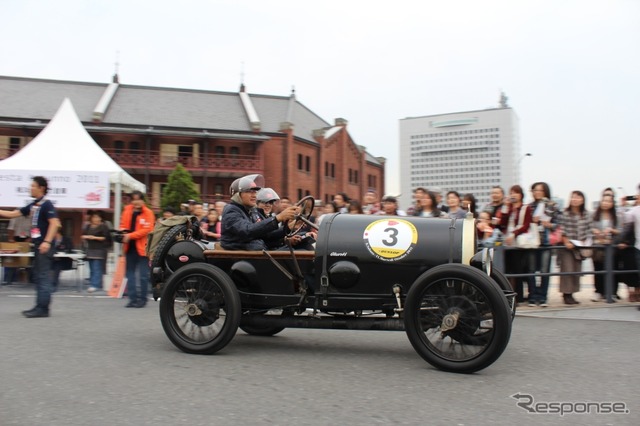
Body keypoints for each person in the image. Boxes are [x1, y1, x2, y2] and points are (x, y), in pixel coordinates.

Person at [0, 176, 60, 318]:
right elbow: (13, 214)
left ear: (41, 188)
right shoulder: (34, 205)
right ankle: (39, 306)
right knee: (39, 276)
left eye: (33, 186)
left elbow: (55, 223)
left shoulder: (47, 204)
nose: (30, 188)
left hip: (44, 246)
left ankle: (43, 309)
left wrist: (47, 242)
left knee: (43, 276)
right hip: (38, 245)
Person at [220, 174, 299, 251]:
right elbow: (247, 231)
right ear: (237, 194)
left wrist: (288, 227)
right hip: (241, 256)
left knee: (300, 248)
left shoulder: (251, 211)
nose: (254, 195)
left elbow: (266, 235)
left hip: (257, 253)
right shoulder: (231, 210)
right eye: (249, 191)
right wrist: (278, 218)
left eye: (255, 192)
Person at [119, 190, 155, 308]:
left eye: (138, 199)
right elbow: (123, 225)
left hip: (143, 248)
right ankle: (132, 299)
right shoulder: (127, 210)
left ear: (143, 200)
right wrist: (122, 232)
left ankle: (143, 299)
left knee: (143, 275)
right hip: (129, 247)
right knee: (130, 274)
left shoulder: (148, 213)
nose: (136, 202)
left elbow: (148, 229)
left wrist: (130, 235)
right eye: (134, 199)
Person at [528, 182, 561, 307]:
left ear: (545, 191)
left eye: (540, 190)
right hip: (532, 241)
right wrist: (533, 221)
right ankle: (532, 296)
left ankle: (543, 297)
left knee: (544, 270)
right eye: (535, 190)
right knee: (531, 270)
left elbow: (557, 223)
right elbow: (525, 223)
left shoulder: (552, 205)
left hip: (546, 242)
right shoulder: (530, 206)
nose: (537, 192)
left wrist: (549, 225)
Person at [558, 190, 593, 305]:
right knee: (567, 270)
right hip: (567, 246)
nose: (575, 199)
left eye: (578, 198)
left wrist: (582, 242)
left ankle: (572, 293)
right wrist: (567, 241)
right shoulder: (565, 213)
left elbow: (589, 230)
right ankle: (566, 294)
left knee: (576, 271)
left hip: (580, 246)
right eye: (573, 197)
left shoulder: (586, 214)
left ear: (582, 200)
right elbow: (562, 229)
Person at [501, 185, 534, 304]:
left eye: (516, 192)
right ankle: (508, 294)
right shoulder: (509, 208)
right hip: (507, 242)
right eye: (511, 192)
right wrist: (505, 205)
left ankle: (519, 296)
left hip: (518, 243)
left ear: (521, 195)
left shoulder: (526, 208)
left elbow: (526, 225)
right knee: (507, 270)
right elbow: (502, 222)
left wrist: (514, 234)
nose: (513, 195)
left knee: (518, 269)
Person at [81, 211, 111, 293]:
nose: (96, 219)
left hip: (99, 249)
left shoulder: (103, 226)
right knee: (91, 268)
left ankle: (95, 285)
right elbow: (82, 235)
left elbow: (105, 238)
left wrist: (94, 237)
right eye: (94, 217)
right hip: (90, 249)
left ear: (101, 218)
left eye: (98, 217)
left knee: (97, 267)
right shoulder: (88, 226)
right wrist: (86, 237)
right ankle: (93, 283)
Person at [2, 215, 31, 286]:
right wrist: (11, 239)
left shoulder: (32, 216)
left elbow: (35, 228)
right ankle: (8, 279)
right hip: (15, 238)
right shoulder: (15, 214)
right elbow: (10, 228)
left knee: (28, 260)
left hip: (27, 238)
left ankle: (30, 280)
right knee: (12, 259)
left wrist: (31, 238)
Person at [50, 226, 74, 292]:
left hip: (65, 261)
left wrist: (62, 251)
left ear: (57, 233)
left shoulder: (67, 239)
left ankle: (54, 285)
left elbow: (70, 249)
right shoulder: (51, 241)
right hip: (54, 260)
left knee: (57, 265)